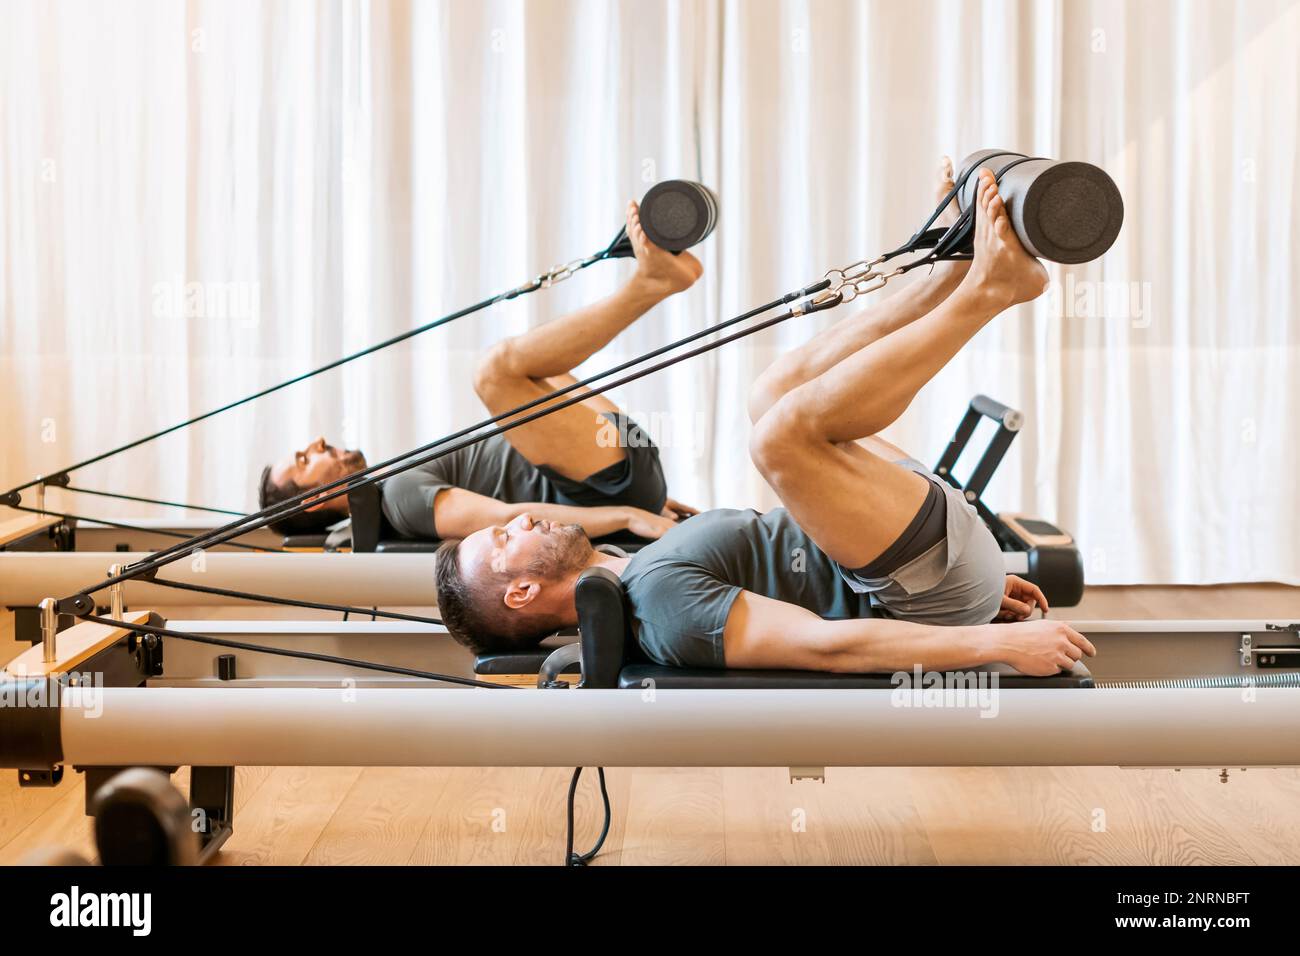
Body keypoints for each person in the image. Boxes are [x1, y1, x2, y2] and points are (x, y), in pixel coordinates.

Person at [435, 159, 1096, 678]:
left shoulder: (632, 570)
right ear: (521, 593)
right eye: (502, 541)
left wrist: (971, 582)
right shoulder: (659, 608)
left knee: (771, 395)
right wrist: (989, 640)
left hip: (924, 562)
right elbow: (826, 646)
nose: (517, 519)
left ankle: (948, 275)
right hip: (921, 590)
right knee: (778, 438)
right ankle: (990, 290)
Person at [258, 200, 702, 542]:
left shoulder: (395, 482)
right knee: (494, 372)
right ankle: (651, 282)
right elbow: (510, 519)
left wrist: (653, 498)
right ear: (315, 500)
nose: (316, 443)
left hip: (609, 464)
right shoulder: (399, 498)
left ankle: (653, 275)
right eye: (304, 460)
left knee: (535, 369)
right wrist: (629, 514)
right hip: (602, 489)